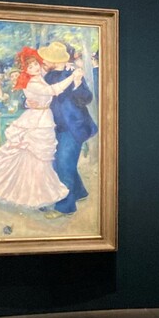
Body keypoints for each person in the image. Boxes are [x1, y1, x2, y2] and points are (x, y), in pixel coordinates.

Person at [0, 47, 83, 209]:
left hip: (43, 117)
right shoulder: (31, 82)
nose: (35, 68)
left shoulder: (38, 76)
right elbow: (52, 90)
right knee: (34, 155)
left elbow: (50, 69)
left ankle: (41, 191)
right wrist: (72, 77)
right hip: (37, 120)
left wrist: (69, 66)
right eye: (30, 67)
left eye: (36, 64)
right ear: (25, 70)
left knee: (41, 157)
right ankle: (34, 193)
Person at [40, 42, 98, 217]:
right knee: (58, 163)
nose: (44, 61)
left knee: (64, 164)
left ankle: (65, 207)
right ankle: (79, 192)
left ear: (55, 60)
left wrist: (78, 83)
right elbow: (41, 95)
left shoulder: (73, 73)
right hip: (54, 127)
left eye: (47, 58)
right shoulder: (49, 76)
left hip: (73, 127)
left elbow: (86, 98)